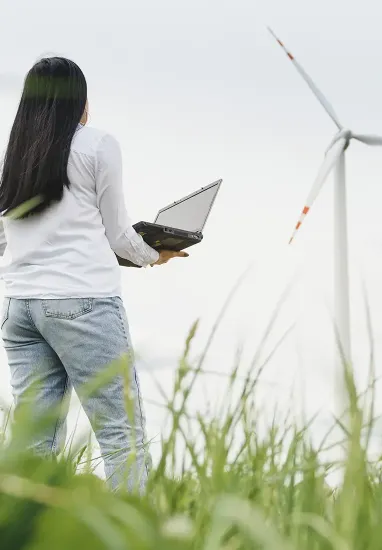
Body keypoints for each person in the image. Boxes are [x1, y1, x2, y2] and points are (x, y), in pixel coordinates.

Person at [0, 57, 187, 493]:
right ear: (79, 101)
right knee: (122, 434)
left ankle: (25, 533)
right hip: (82, 303)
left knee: (34, 442)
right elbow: (120, 235)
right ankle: (129, 533)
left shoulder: (15, 152)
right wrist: (152, 255)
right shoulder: (97, 144)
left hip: (18, 307)